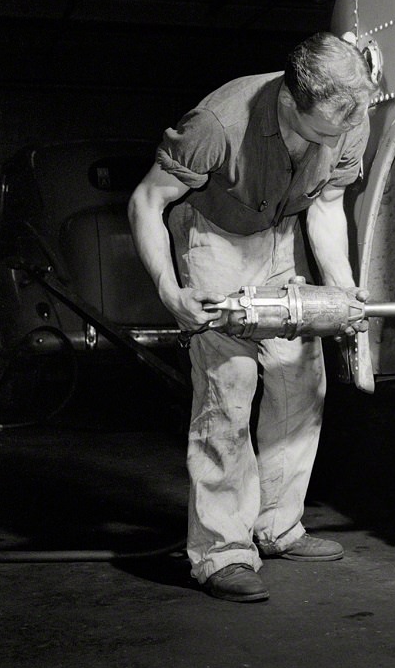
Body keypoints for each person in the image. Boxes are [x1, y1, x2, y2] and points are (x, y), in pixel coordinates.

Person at [128, 32, 378, 603]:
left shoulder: (348, 119)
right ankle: (221, 551)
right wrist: (170, 289)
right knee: (229, 385)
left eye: (342, 130)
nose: (335, 140)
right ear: (289, 101)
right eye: (322, 132)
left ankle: (276, 524)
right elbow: (147, 201)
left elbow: (327, 204)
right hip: (213, 236)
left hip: (278, 235)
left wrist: (341, 294)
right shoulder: (217, 124)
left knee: (300, 378)